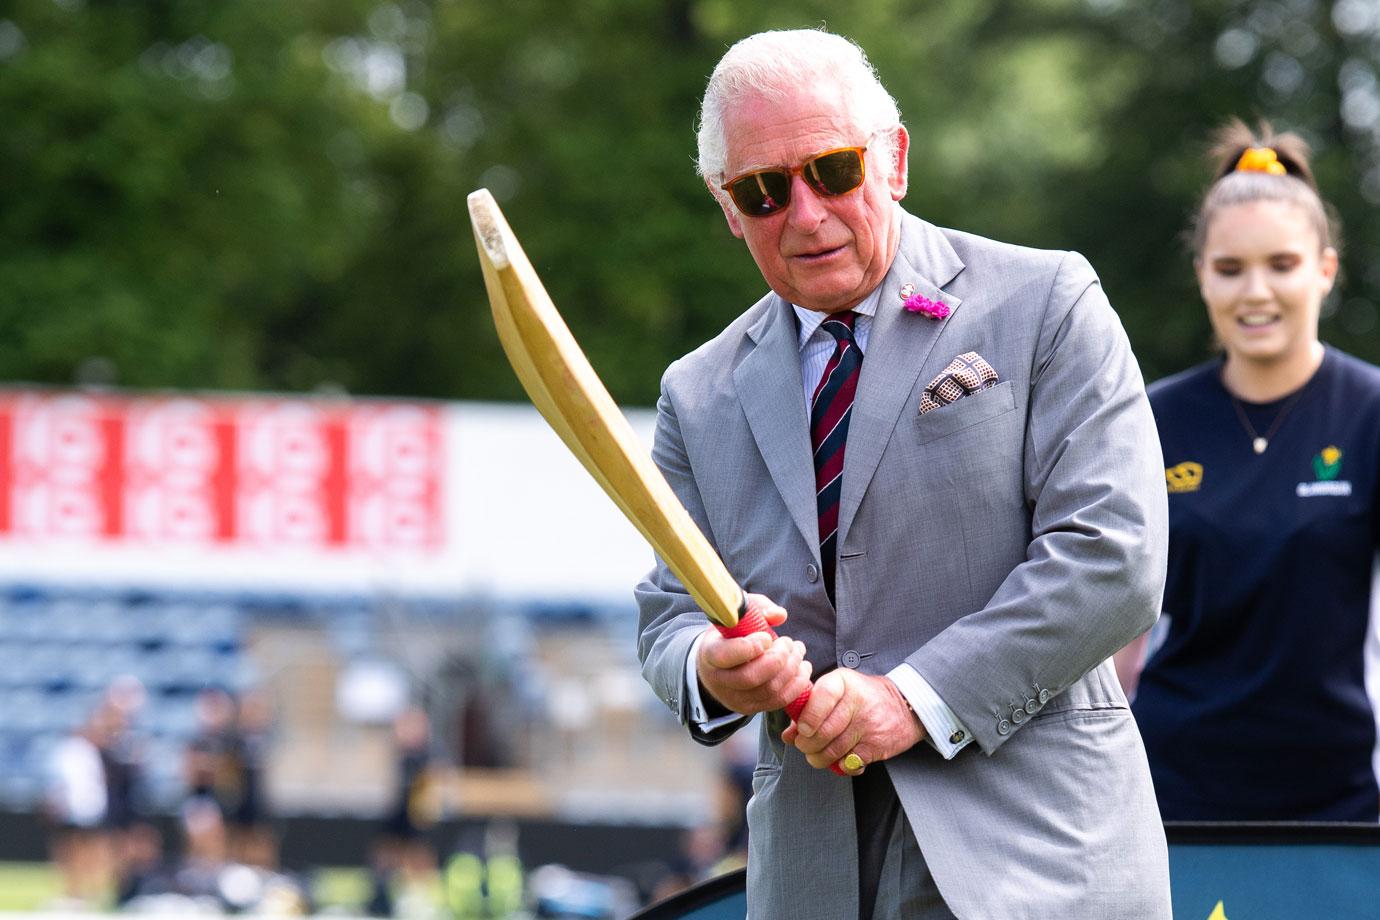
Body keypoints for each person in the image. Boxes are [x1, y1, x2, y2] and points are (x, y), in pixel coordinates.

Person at [634, 29, 1171, 919]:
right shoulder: (697, 393)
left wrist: (913, 701)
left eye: (834, 170)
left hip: (1037, 865)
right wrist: (711, 669)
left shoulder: (1046, 303)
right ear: (726, 206)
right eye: (764, 190)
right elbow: (668, 617)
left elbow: (1113, 558)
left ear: (896, 161)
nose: (804, 214)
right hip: (814, 878)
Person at [1118, 120, 1380, 821]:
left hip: (1344, 807)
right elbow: (1114, 629)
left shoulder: (1370, 411)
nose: (1255, 292)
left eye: (1282, 265)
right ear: (1202, 273)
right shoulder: (1150, 419)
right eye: (1230, 269)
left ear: (1324, 270)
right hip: (1173, 801)